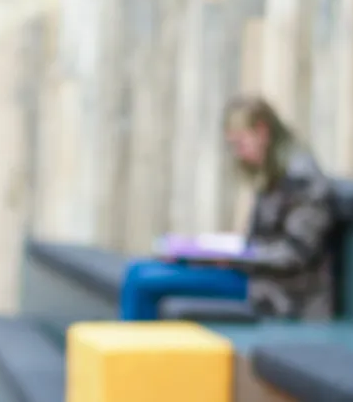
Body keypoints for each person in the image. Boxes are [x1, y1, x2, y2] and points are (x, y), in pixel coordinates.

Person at [118, 96, 337, 321]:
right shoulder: (274, 172)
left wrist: (232, 258)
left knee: (143, 280)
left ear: (261, 131)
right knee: (138, 269)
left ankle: (130, 354)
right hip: (254, 276)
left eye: (240, 144)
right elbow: (261, 242)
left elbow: (294, 255)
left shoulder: (301, 179)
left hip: (282, 293)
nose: (237, 153)